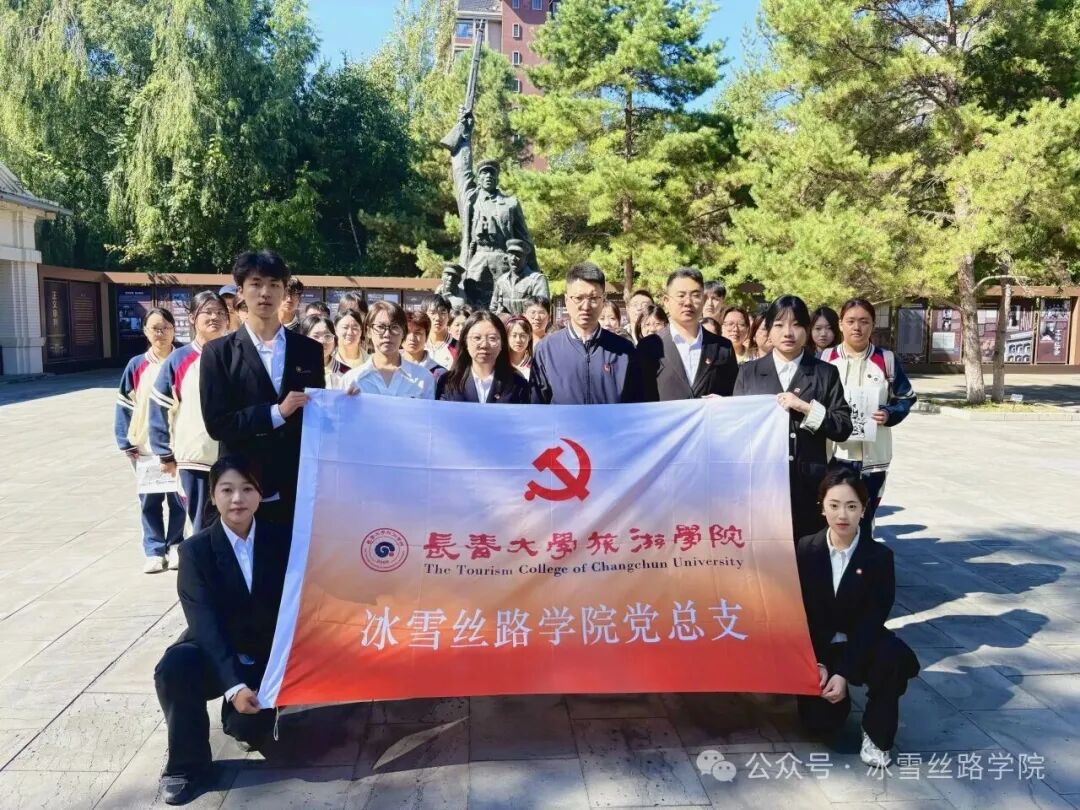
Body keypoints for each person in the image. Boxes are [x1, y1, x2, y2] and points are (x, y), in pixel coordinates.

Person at [153, 456, 291, 805]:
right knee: (175, 668)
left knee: (251, 729)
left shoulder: (284, 540)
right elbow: (205, 625)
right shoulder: (195, 551)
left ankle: (241, 718)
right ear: (212, 496)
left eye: (247, 489)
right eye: (227, 490)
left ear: (260, 494)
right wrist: (234, 686)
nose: (237, 499)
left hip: (264, 655)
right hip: (215, 651)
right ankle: (187, 766)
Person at [795, 467, 920, 769]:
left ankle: (877, 734)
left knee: (892, 658)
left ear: (864, 510)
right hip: (821, 646)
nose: (842, 515)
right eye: (834, 505)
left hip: (860, 642)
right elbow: (799, 613)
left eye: (852, 506)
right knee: (820, 723)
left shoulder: (879, 557)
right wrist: (817, 663)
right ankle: (835, 699)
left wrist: (844, 673)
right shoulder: (805, 549)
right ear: (822, 507)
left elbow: (872, 620)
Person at [199, 250, 325, 529]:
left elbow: (317, 415)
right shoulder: (218, 353)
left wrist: (343, 401)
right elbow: (218, 424)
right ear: (240, 291)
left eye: (274, 284)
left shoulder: (309, 350)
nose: (265, 293)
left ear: (284, 291)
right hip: (241, 486)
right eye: (256, 284)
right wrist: (276, 413)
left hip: (295, 485)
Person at [733, 295, 852, 539]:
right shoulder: (749, 372)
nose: (788, 332)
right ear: (768, 330)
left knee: (807, 550)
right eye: (779, 325)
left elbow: (843, 427)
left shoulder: (825, 373)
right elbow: (736, 428)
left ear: (807, 330)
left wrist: (807, 409)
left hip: (809, 484)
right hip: (761, 484)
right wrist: (720, 409)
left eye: (796, 325)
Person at [823, 298, 917, 538]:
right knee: (835, 517)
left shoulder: (885, 360)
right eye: (851, 321)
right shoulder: (826, 359)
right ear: (840, 324)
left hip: (874, 457)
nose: (857, 327)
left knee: (865, 516)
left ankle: (863, 557)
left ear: (873, 325)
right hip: (836, 454)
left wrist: (889, 413)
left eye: (864, 321)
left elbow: (906, 397)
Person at [149, 292, 229, 542]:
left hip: (233, 457)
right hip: (195, 459)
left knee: (234, 521)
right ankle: (199, 566)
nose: (214, 317)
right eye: (208, 311)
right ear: (193, 317)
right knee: (199, 524)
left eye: (220, 312)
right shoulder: (179, 359)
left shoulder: (236, 354)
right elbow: (159, 406)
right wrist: (164, 452)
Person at [115, 307, 186, 574]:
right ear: (145, 331)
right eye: (155, 328)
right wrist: (125, 440)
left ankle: (176, 544)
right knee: (149, 500)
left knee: (179, 499)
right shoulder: (137, 365)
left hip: (178, 443)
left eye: (166, 327)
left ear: (174, 330)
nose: (161, 333)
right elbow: (124, 404)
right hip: (145, 446)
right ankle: (154, 550)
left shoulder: (182, 359)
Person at [531, 262, 648, 404]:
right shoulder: (546, 349)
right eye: (578, 298)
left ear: (603, 300)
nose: (585, 306)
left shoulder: (624, 350)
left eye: (593, 298)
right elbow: (537, 406)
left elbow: (636, 404)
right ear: (567, 300)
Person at [637, 267, 739, 401]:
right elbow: (638, 397)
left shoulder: (723, 347)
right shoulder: (648, 347)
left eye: (695, 295)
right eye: (681, 296)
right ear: (666, 301)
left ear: (703, 300)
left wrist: (724, 402)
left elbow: (734, 395)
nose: (688, 302)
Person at [342, 301, 435, 399]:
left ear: (403, 332)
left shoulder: (423, 378)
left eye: (394, 327)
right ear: (369, 331)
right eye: (380, 327)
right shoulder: (352, 379)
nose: (387, 334)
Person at [435, 311, 533, 403]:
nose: (484, 345)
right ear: (465, 342)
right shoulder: (448, 382)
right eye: (477, 338)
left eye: (492, 338)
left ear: (502, 343)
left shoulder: (517, 384)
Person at [490, 238, 550, 314]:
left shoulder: (537, 280)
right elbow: (493, 308)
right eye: (511, 254)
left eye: (518, 255)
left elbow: (541, 311)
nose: (513, 258)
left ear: (526, 259)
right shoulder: (501, 281)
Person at [402, 310, 448, 379]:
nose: (412, 338)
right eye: (407, 332)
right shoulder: (389, 366)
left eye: (418, 333)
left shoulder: (439, 373)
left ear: (426, 337)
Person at [301, 314, 340, 388]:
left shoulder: (346, 373)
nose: (322, 341)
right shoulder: (294, 371)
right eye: (315, 336)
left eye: (327, 336)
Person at [331, 308, 367, 378]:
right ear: (335, 330)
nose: (350, 332)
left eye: (355, 328)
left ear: (361, 331)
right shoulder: (325, 363)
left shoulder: (372, 363)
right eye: (345, 327)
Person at [423, 294, 458, 369]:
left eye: (442, 313)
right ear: (424, 315)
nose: (437, 318)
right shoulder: (419, 345)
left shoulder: (459, 348)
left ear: (449, 316)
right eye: (432, 313)